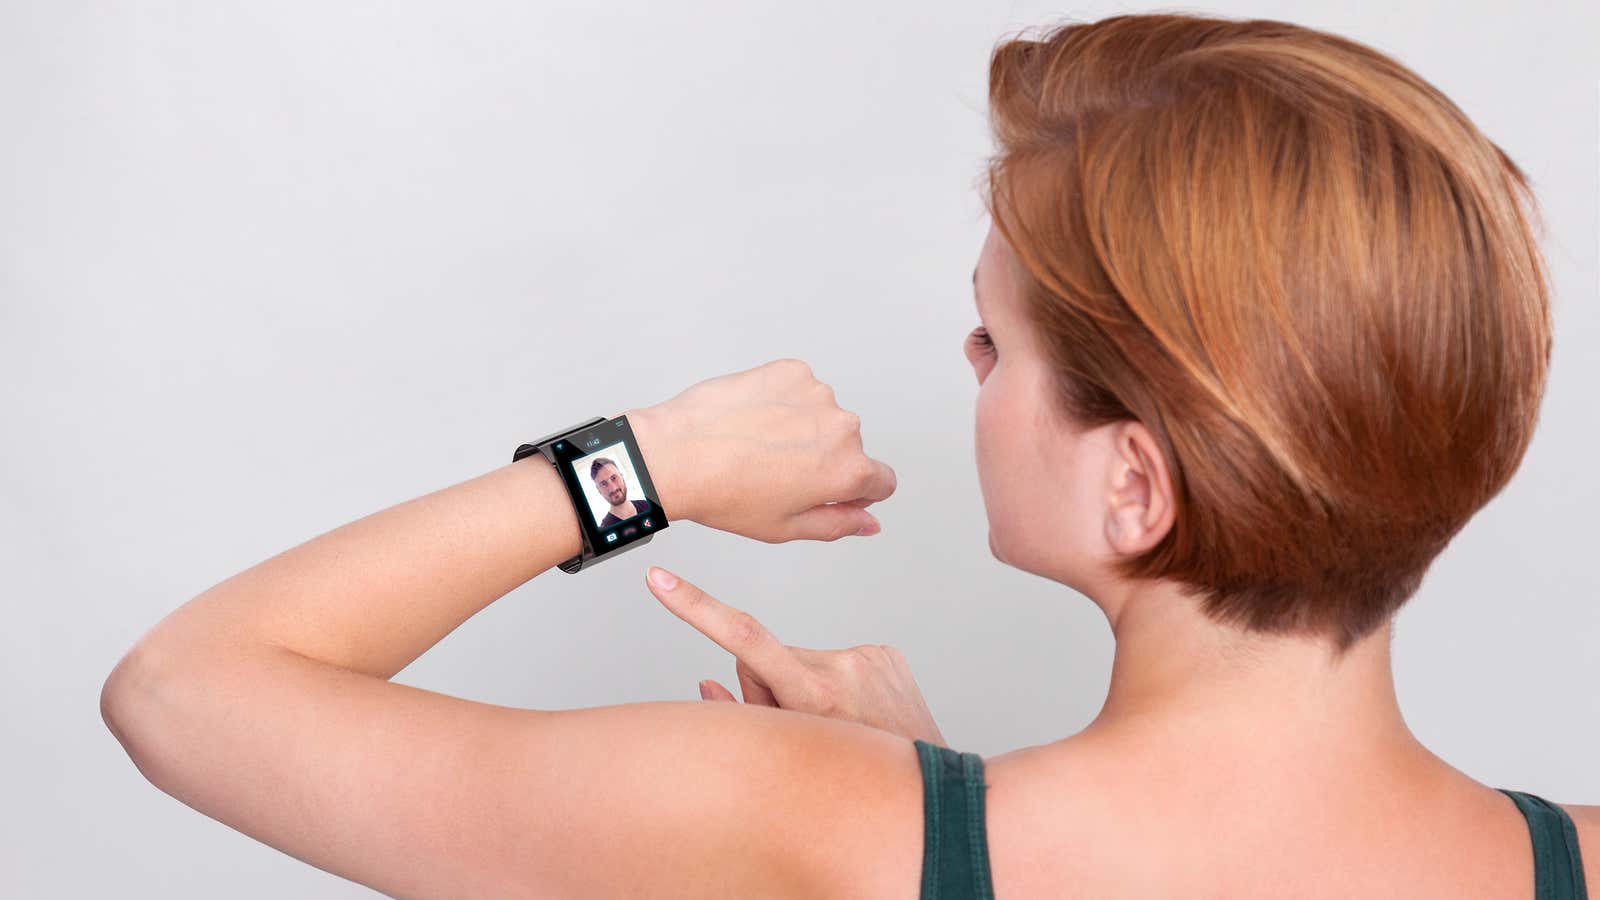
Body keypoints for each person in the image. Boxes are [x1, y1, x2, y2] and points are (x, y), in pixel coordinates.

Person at [98, 12, 1593, 899]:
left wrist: (645, 463)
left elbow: (182, 692)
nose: (967, 375)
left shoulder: (799, 828)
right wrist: (931, 793)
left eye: (995, 346)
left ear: (1135, 485)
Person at [589, 456, 655, 528]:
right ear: (599, 490)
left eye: (614, 478)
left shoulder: (648, 505)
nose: (613, 488)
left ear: (622, 477)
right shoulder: (604, 529)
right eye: (603, 484)